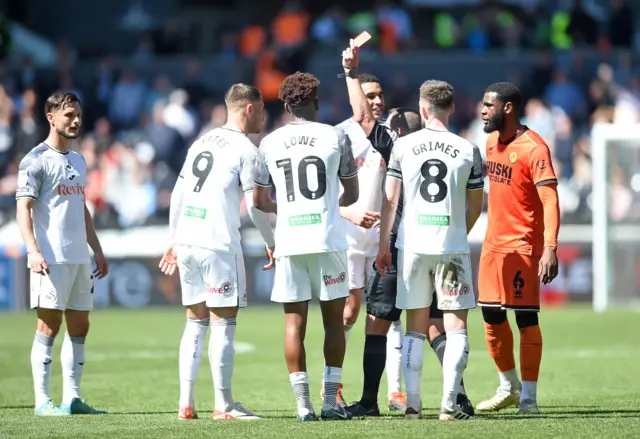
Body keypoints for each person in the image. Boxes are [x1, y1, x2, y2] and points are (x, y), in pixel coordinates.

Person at [159, 83, 276, 421]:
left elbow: (179, 192)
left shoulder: (201, 141)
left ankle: (186, 402)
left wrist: (173, 238)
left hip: (189, 241)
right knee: (224, 323)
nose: (265, 117)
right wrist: (270, 240)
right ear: (250, 108)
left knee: (194, 323)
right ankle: (224, 404)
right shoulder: (245, 148)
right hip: (219, 243)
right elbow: (255, 206)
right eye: (263, 109)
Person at [253, 71, 359, 421]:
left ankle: (303, 406)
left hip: (289, 241)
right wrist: (326, 201)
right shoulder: (336, 136)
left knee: (293, 325)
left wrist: (285, 205)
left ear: (285, 105)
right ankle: (330, 402)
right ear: (316, 101)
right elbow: (353, 194)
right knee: (333, 324)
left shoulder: (269, 142)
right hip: (328, 240)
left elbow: (259, 200)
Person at [376, 80, 484, 421]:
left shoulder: (404, 147)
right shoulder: (468, 149)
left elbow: (390, 199)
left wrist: (383, 245)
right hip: (450, 247)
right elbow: (476, 205)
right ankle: (449, 403)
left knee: (414, 328)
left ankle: (413, 403)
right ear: (451, 108)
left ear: (423, 110)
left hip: (412, 247)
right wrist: (456, 234)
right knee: (456, 328)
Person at [16, 92, 108, 416]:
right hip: (50, 258)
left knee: (80, 326)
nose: (76, 120)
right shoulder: (35, 159)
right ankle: (42, 400)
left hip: (79, 258)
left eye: (78, 114)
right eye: (69, 115)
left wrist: (96, 249)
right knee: (48, 327)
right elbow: (23, 209)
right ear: (51, 117)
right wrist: (32, 250)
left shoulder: (79, 160)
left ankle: (72, 397)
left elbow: (81, 209)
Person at [476, 82, 559, 415]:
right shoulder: (490, 142)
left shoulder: (534, 148)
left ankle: (529, 397)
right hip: (492, 245)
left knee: (525, 319)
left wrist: (550, 247)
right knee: (490, 316)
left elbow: (550, 199)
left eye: (488, 105)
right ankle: (508, 386)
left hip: (523, 246)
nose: (482, 111)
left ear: (507, 108)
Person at [334, 39, 405, 411]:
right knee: (348, 312)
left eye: (380, 95)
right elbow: (325, 195)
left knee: (384, 315)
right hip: (348, 237)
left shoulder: (389, 136)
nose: (377, 101)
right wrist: (349, 213)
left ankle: (394, 390)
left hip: (381, 239)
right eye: (370, 95)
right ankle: (337, 382)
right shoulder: (338, 136)